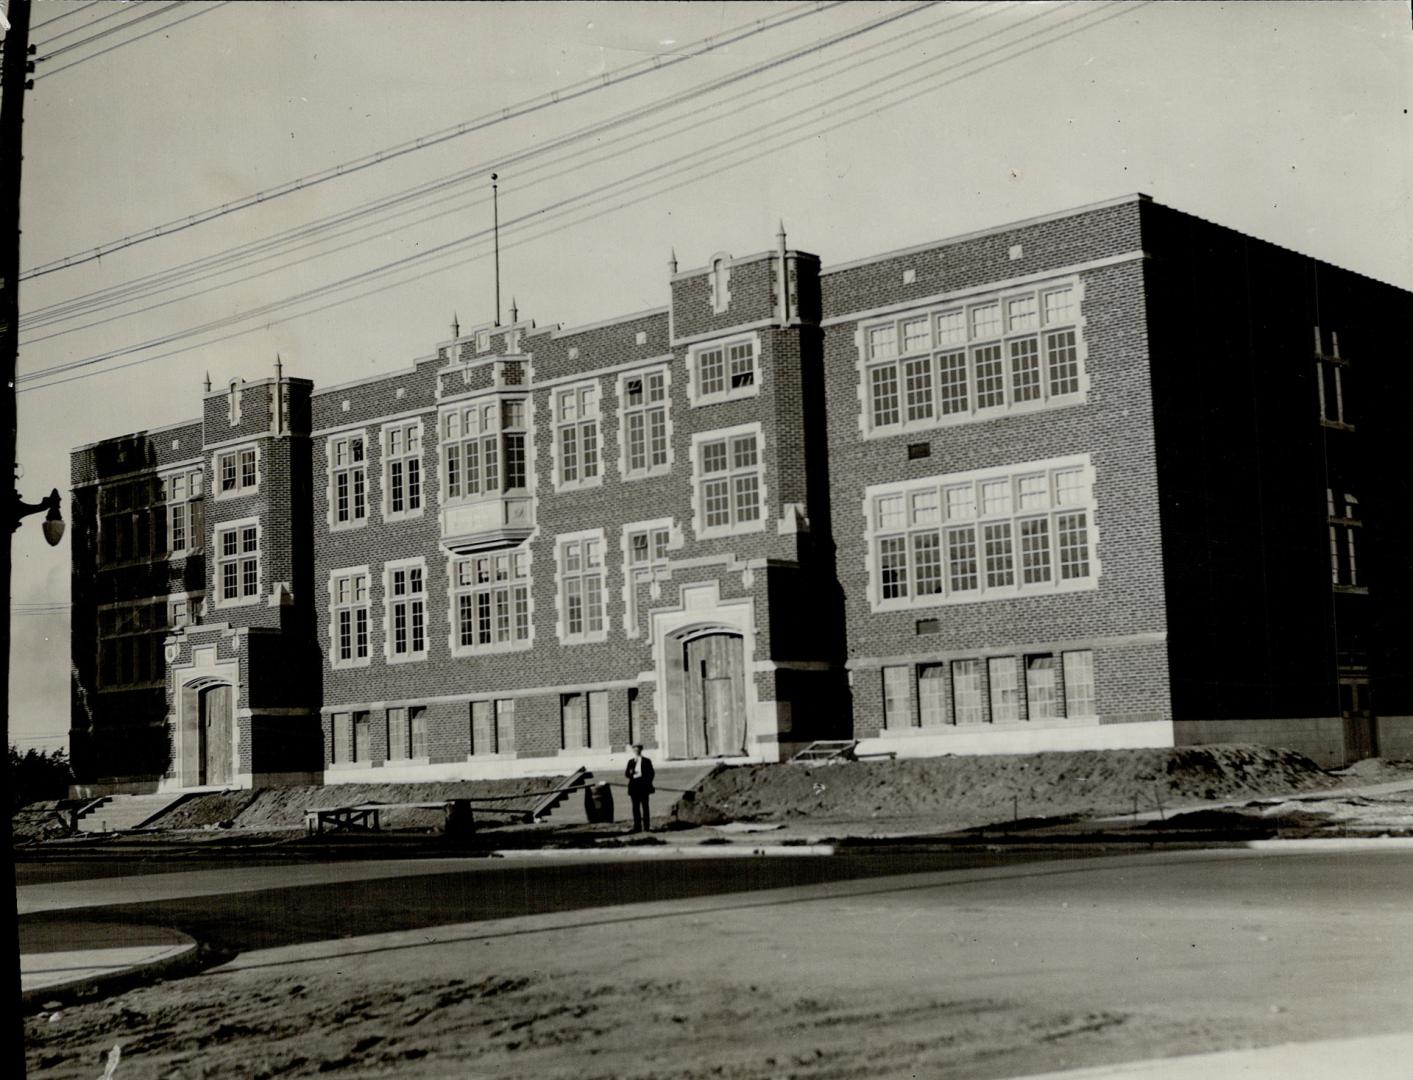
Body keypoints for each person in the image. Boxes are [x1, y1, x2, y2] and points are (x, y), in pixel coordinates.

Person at [624, 743, 655, 833]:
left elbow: (651, 774)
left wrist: (647, 782)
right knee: (635, 807)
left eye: (638, 749)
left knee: (645, 807)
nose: (636, 750)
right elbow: (626, 774)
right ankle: (637, 827)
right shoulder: (631, 761)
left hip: (643, 786)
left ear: (641, 750)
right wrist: (631, 773)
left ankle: (646, 827)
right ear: (633, 750)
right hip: (634, 787)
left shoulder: (646, 761)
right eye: (634, 749)